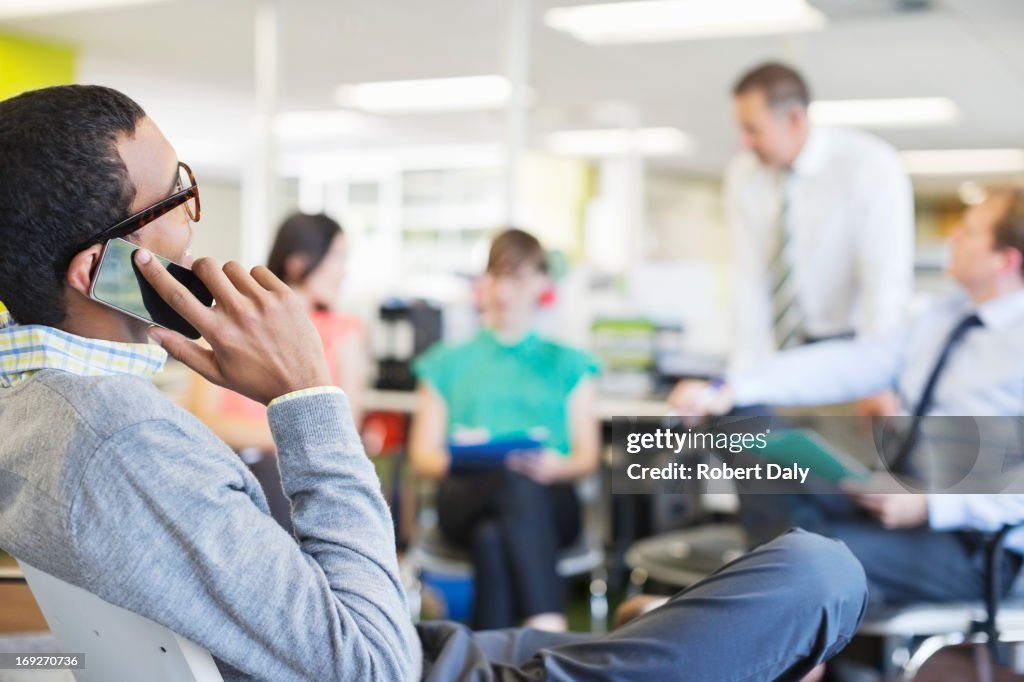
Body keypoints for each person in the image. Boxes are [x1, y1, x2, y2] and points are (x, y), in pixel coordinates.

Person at [0, 84, 867, 681]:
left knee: (697, 604)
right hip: (407, 662)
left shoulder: (37, 408)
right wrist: (309, 400)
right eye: (176, 197)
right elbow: (371, 665)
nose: (196, 217)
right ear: (101, 269)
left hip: (430, 647)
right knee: (819, 575)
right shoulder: (119, 440)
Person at [671, 188, 1024, 607]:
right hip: (892, 494)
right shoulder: (943, 318)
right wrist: (727, 389)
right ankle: (811, 607)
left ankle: (801, 607)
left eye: (968, 232)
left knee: (799, 558)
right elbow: (852, 364)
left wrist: (933, 506)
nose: (953, 239)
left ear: (1006, 260)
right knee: (743, 419)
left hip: (970, 541)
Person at [409, 229, 599, 632]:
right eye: (496, 276)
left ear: (542, 284)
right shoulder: (445, 363)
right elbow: (422, 456)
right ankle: (548, 634)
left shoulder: (570, 364)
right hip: (465, 496)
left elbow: (587, 457)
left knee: (494, 536)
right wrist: (471, 460)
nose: (505, 291)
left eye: (518, 278)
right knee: (510, 479)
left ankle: (487, 665)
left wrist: (556, 467)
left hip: (550, 499)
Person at [706, 61, 914, 416]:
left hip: (851, 352)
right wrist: (739, 383)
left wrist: (877, 378)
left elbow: (884, 279)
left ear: (795, 119)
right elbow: (748, 279)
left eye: (753, 129)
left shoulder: (868, 164)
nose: (743, 142)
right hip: (782, 359)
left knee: (847, 465)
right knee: (775, 466)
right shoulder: (744, 175)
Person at [186, 212, 368, 531]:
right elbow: (203, 420)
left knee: (272, 477)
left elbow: (345, 428)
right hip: (228, 468)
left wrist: (263, 437)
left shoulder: (344, 332)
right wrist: (295, 431)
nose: (344, 270)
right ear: (298, 262)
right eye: (337, 256)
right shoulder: (231, 322)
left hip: (289, 474)